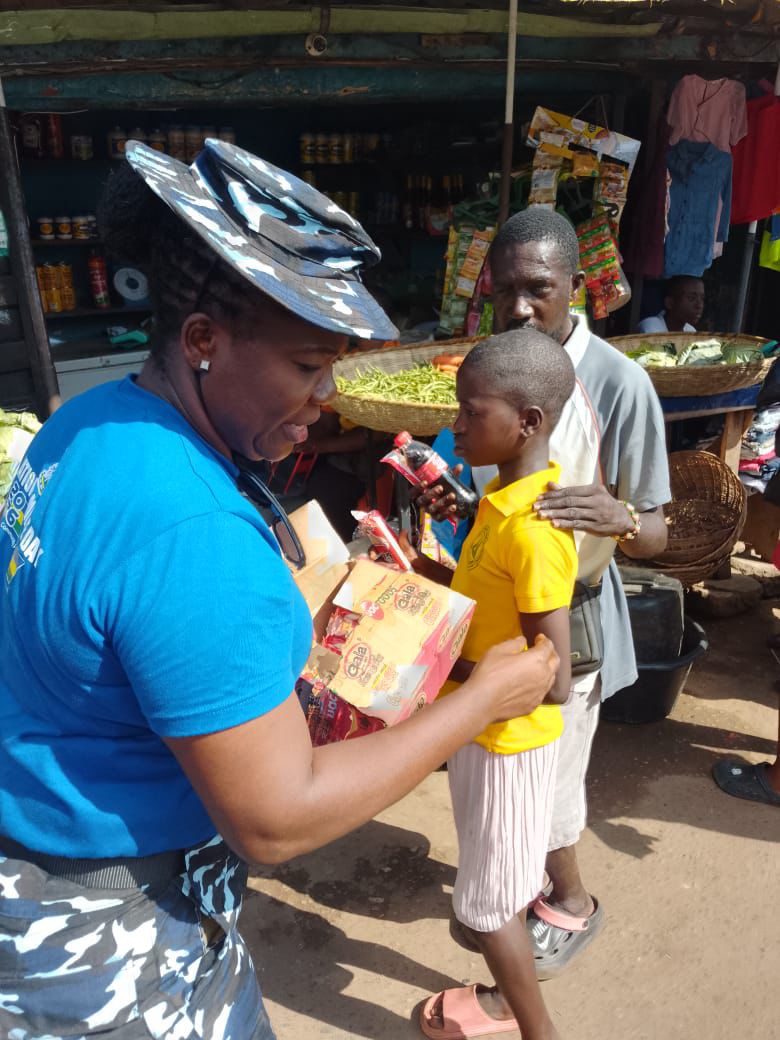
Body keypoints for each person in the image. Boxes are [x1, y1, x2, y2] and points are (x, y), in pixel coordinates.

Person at [0, 141, 560, 1040]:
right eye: (307, 365)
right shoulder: (194, 538)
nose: (327, 396)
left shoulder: (90, 420)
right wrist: (486, 697)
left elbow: (122, 623)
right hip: (102, 940)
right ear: (203, 341)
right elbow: (277, 818)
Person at [419, 206, 671, 979]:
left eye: (539, 289)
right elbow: (509, 496)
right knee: (508, 786)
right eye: (504, 292)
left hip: (575, 626)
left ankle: (563, 910)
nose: (521, 307)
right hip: (498, 612)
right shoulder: (498, 366)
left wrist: (622, 515)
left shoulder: (619, 385)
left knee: (548, 790)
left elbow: (664, 533)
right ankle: (510, 905)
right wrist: (461, 507)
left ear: (579, 288)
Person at [412, 331, 577, 1040]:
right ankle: (507, 1002)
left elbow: (555, 676)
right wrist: (428, 586)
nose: (455, 425)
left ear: (529, 422)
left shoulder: (534, 529)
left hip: (507, 740)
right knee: (494, 888)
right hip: (481, 732)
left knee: (487, 907)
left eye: (470, 412)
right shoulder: (498, 500)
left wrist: (450, 666)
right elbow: (493, 607)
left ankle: (533, 1029)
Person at [636, 275, 705, 333]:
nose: (699, 305)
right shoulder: (651, 327)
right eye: (691, 298)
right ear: (670, 303)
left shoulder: (691, 331)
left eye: (702, 299)